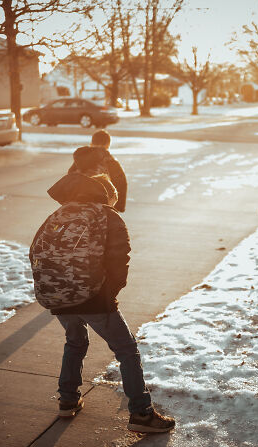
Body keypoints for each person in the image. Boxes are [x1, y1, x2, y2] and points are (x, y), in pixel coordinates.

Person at [41, 172, 175, 433]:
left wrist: (57, 288)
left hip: (58, 294)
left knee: (75, 342)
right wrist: (108, 293)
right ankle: (141, 413)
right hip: (94, 298)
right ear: (106, 194)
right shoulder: (107, 215)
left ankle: (67, 400)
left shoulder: (61, 213)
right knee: (127, 349)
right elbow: (119, 258)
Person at [67, 129, 127, 213]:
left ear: (91, 143)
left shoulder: (80, 160)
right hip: (101, 206)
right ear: (108, 144)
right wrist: (119, 207)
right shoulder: (111, 161)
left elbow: (69, 178)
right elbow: (121, 183)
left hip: (77, 203)